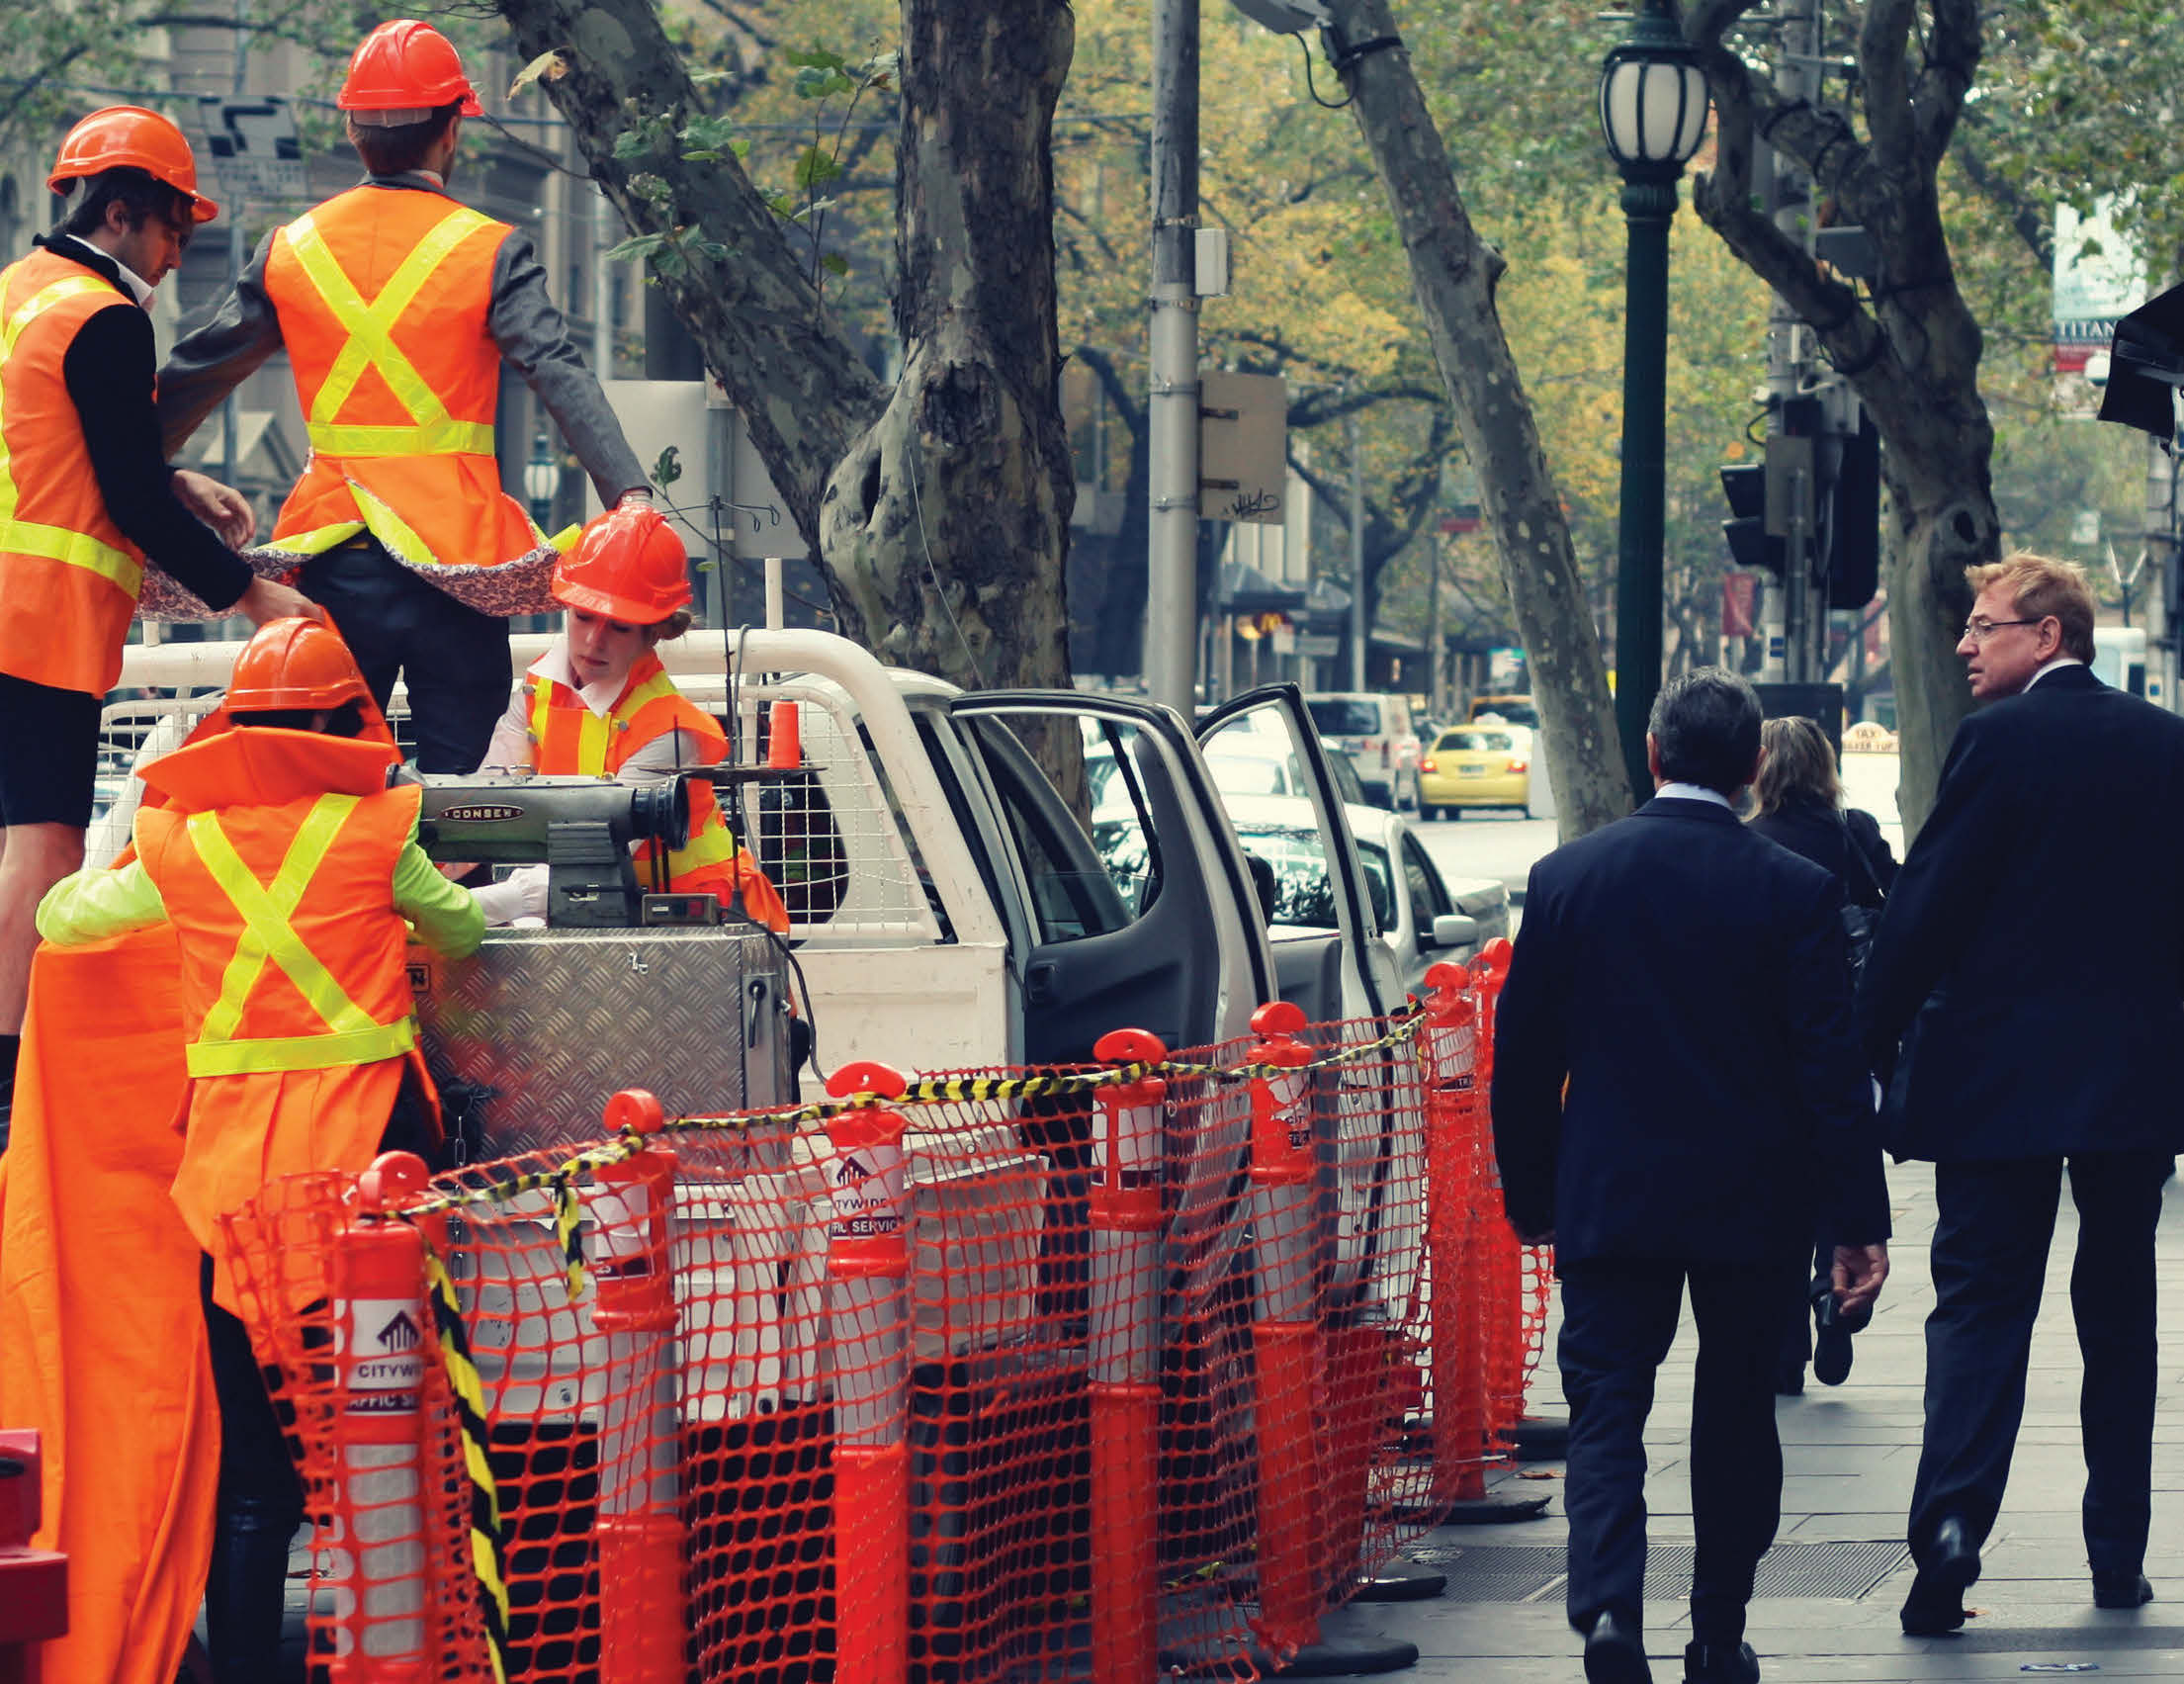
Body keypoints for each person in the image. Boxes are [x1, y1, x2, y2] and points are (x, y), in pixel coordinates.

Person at [34, 617, 483, 1681]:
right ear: (342, 719)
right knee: (401, 1446)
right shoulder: (381, 829)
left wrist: (115, 834)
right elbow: (461, 928)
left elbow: (62, 920)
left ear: (237, 723)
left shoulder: (186, 846)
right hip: (375, 1184)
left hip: (234, 1200)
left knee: (255, 1483)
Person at [1492, 668, 1891, 1684]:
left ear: (1654, 754)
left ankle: (1609, 1608)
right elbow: (1830, 1071)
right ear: (1754, 766)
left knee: (1607, 1406)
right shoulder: (1791, 888)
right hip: (1752, 1201)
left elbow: (1525, 1060)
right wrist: (1855, 1223)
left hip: (1611, 1191)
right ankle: (1717, 1627)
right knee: (1734, 1413)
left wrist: (1532, 1194)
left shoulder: (1569, 875)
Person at [155, 19, 654, 774]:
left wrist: (132, 466)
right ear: (452, 130)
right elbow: (558, 370)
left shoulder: (291, 249)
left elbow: (195, 372)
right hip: (456, 573)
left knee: (323, 785)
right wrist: (631, 496)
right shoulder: (489, 248)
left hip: (329, 562)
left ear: (354, 132)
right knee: (473, 801)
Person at [1860, 553, 2184, 1635]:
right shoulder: (2164, 743)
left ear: (2047, 635)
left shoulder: (1995, 741)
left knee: (1980, 1307)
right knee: (2118, 1304)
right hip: (2133, 1080)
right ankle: (2118, 1547)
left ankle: (1949, 1531)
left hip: (1996, 1080)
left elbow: (1928, 906)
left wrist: (1857, 1042)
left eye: (1984, 626)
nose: (1963, 643)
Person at [0, 107, 317, 1132]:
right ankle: (10, 1085)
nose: (179, 255)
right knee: (40, 849)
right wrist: (249, 591)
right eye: (175, 230)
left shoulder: (20, 295)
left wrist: (175, 478)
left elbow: (56, 442)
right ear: (125, 211)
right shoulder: (108, 315)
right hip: (39, 623)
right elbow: (122, 497)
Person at [474, 501, 790, 931]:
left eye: (619, 626)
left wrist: (460, 907)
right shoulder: (536, 692)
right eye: (583, 616)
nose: (593, 641)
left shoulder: (669, 729)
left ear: (654, 630)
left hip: (702, 922)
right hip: (611, 908)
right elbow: (486, 807)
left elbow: (595, 856)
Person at [1746, 714, 1898, 1393]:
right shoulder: (1855, 833)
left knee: (1776, 1188)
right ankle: (1830, 1290)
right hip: (1851, 1029)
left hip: (1765, 1045)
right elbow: (1898, 910)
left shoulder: (1747, 843)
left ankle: (1782, 1346)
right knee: (1836, 1156)